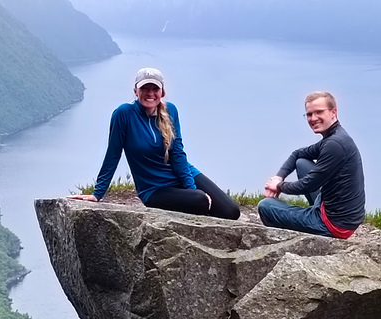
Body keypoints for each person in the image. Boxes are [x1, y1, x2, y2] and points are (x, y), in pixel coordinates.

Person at [68, 67, 240, 220]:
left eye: (155, 88)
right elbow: (113, 154)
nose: (150, 93)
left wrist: (191, 189)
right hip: (154, 189)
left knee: (231, 211)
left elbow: (177, 153)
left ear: (162, 92)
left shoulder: (170, 110)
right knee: (200, 200)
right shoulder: (124, 114)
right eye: (145, 88)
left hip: (181, 174)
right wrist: (97, 194)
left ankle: (195, 200)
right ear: (135, 91)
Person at [258, 91, 365, 238]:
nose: (313, 118)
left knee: (265, 206)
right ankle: (311, 214)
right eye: (309, 114)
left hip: (335, 224)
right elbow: (297, 154)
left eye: (319, 112)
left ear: (333, 112)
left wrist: (278, 186)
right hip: (334, 209)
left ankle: (306, 226)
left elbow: (308, 185)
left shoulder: (334, 144)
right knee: (302, 162)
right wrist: (278, 177)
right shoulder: (334, 136)